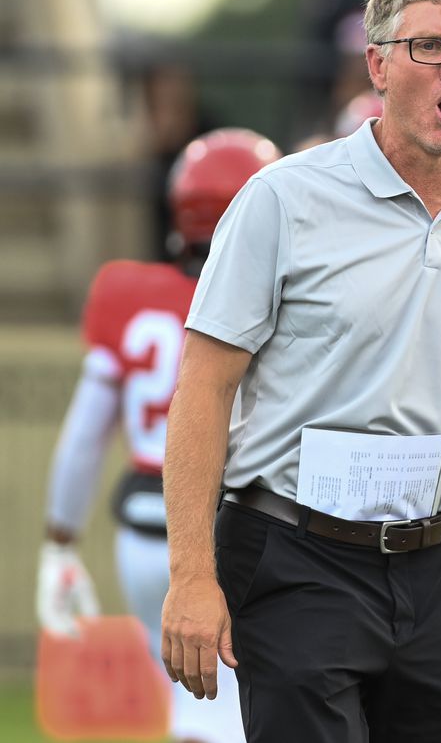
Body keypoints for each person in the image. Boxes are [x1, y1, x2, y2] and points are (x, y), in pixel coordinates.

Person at [159, 0, 441, 743]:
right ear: (376, 64)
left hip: (439, 565)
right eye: (429, 47)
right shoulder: (282, 198)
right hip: (298, 555)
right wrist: (191, 575)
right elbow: (204, 387)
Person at [39, 128, 281, 743]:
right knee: (242, 707)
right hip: (238, 523)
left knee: (191, 707)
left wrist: (60, 541)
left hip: (144, 528)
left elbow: (84, 435)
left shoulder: (130, 294)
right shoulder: (280, 301)